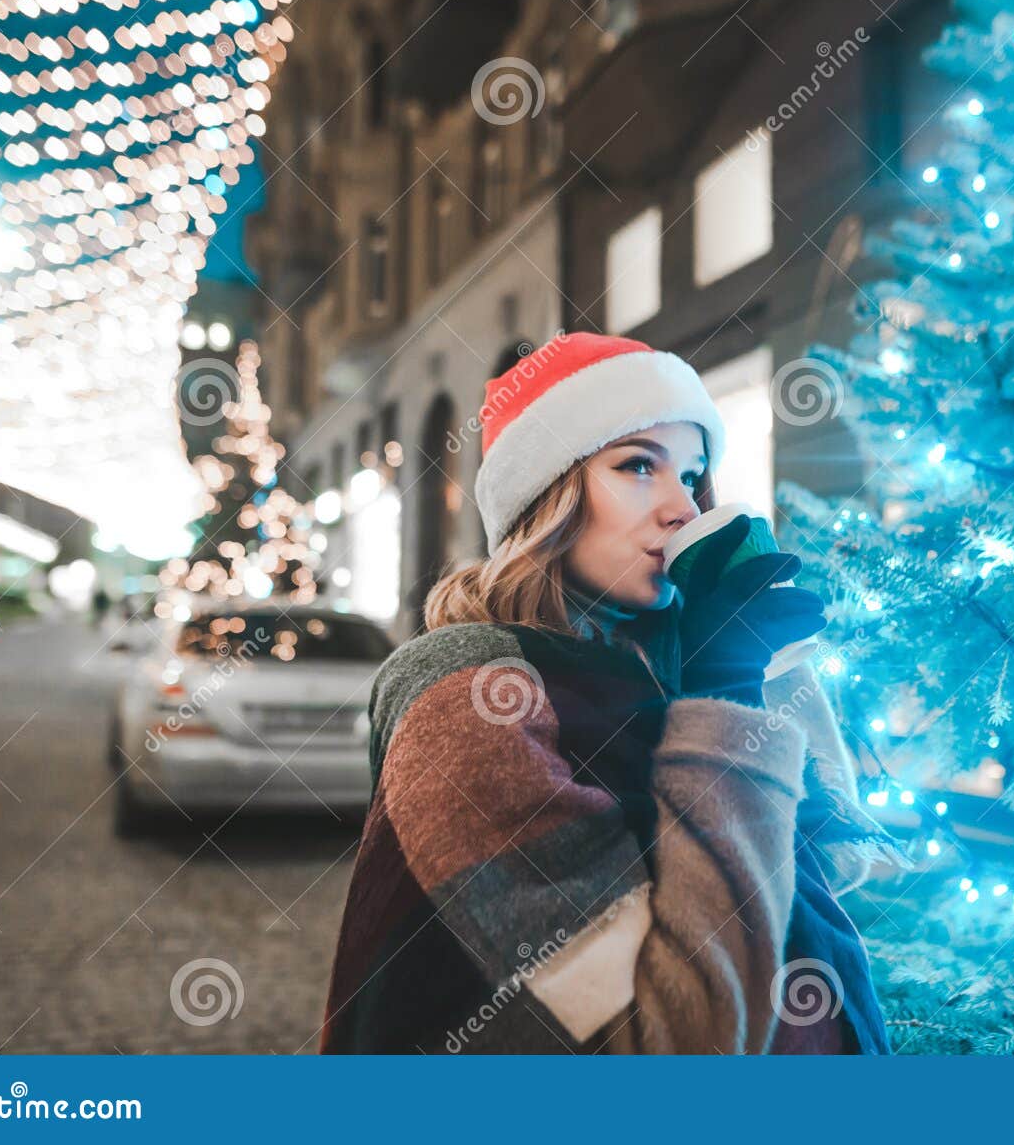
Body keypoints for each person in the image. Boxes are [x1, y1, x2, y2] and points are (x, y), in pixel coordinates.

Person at [320, 332, 902, 1054]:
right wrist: (725, 697)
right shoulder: (474, 698)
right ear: (548, 496)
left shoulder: (670, 664)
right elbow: (680, 1039)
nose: (681, 507)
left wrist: (766, 670)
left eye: (693, 476)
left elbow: (829, 868)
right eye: (636, 466)